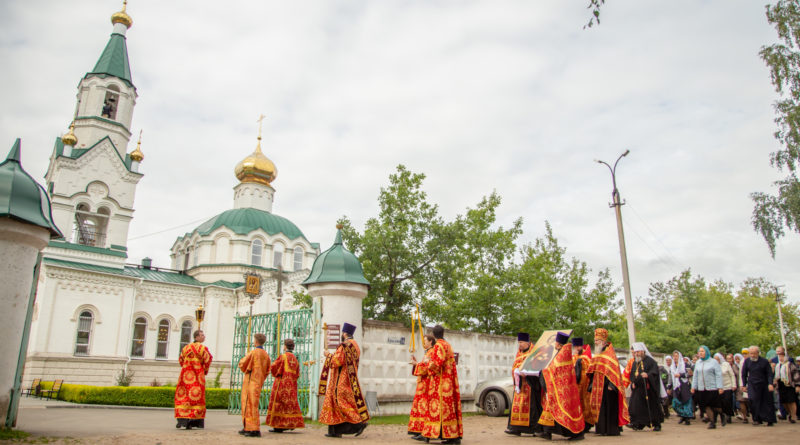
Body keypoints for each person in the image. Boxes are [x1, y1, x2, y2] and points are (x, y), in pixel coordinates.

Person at [319, 322, 369, 437]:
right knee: (341, 402)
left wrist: (328, 355)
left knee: (340, 402)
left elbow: (337, 361)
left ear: (345, 334)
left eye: (342, 333)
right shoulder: (355, 345)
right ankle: (335, 431)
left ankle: (359, 423)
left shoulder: (345, 345)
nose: (342, 334)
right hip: (350, 379)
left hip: (341, 378)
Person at [419, 325, 462, 444]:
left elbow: (437, 364)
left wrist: (428, 363)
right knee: (449, 408)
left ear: (434, 334)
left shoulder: (438, 346)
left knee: (440, 409)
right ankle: (452, 435)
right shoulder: (448, 345)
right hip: (450, 381)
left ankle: (445, 436)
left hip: (440, 382)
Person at [538, 332, 585, 440]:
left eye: (556, 342)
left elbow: (555, 369)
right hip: (557, 387)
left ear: (558, 344)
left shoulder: (563, 354)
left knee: (565, 411)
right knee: (549, 408)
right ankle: (547, 431)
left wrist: (544, 371)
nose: (555, 344)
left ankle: (576, 434)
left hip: (563, 389)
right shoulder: (561, 353)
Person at [586, 328, 629, 436]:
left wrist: (611, 385)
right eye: (595, 341)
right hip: (597, 386)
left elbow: (614, 372)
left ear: (604, 342)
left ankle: (611, 430)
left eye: (598, 341)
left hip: (608, 387)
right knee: (600, 408)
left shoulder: (610, 354)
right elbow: (592, 370)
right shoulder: (597, 354)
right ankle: (601, 429)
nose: (596, 343)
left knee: (609, 407)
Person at [505, 332, 541, 436]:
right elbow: (514, 367)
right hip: (519, 387)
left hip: (530, 386)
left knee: (532, 408)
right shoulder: (519, 354)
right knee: (517, 407)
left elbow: (537, 367)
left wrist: (526, 373)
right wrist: (516, 371)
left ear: (528, 342)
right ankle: (515, 428)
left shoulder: (534, 353)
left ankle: (534, 429)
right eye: (519, 342)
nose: (519, 344)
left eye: (521, 342)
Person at [175, 329, 213, 430]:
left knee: (184, 396)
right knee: (196, 397)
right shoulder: (203, 348)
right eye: (202, 335)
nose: (203, 336)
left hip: (185, 376)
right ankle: (194, 420)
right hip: (197, 376)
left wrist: (186, 367)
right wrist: (204, 370)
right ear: (196, 337)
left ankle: (182, 419)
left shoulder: (186, 348)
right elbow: (208, 359)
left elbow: (181, 360)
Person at [265, 338, 305, 433]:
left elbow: (274, 367)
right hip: (292, 385)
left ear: (285, 346)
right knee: (289, 405)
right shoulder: (295, 359)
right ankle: (290, 424)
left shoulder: (283, 357)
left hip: (281, 384)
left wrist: (275, 373)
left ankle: (278, 426)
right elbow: (298, 374)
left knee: (279, 404)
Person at [237, 333, 271, 437]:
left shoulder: (253, 352)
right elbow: (268, 370)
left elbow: (242, 364)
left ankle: (253, 429)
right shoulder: (266, 355)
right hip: (258, 381)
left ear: (256, 342)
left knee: (248, 404)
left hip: (250, 381)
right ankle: (248, 426)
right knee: (253, 404)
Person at [627, 342, 664, 431]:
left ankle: (656, 424)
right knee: (635, 406)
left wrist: (648, 375)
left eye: (638, 352)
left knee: (651, 407)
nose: (637, 354)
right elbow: (632, 373)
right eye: (635, 353)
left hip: (648, 389)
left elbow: (654, 373)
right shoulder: (635, 362)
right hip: (638, 389)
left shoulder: (651, 361)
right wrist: (633, 382)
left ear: (643, 351)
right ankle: (637, 423)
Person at [409, 334, 436, 438]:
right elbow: (423, 365)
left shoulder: (432, 352)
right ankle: (418, 429)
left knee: (424, 407)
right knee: (419, 407)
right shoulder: (428, 352)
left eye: (425, 341)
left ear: (431, 342)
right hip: (422, 384)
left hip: (426, 384)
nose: (424, 343)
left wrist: (416, 364)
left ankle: (423, 431)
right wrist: (417, 363)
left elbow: (426, 368)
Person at [742, 345, 777, 426]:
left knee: (766, 402)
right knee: (752, 400)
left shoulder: (764, 361)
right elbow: (744, 374)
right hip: (752, 384)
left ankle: (769, 420)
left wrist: (770, 384)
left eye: (754, 353)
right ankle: (757, 419)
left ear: (758, 353)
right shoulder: (747, 361)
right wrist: (744, 385)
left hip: (764, 383)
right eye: (751, 353)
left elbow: (769, 374)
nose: (752, 355)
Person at [691, 346, 724, 429]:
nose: (700, 353)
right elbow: (695, 376)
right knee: (706, 406)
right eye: (699, 351)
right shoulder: (698, 362)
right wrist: (693, 386)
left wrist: (720, 387)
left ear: (707, 352)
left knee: (715, 406)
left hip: (712, 387)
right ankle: (712, 422)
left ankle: (722, 414)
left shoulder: (713, 362)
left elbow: (718, 375)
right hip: (702, 388)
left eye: (702, 351)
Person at [773, 347, 800, 423]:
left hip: (789, 384)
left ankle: (794, 416)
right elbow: (776, 376)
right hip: (781, 385)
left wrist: (797, 385)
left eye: (782, 356)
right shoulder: (778, 366)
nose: (781, 358)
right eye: (779, 356)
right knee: (784, 401)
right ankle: (790, 413)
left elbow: (796, 375)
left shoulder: (790, 365)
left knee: (791, 401)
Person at [572, 337, 593, 433]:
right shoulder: (574, 357)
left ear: (581, 346)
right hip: (576, 385)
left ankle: (587, 423)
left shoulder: (586, 357)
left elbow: (589, 369)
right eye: (575, 346)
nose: (576, 348)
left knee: (586, 403)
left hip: (585, 384)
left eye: (578, 346)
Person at [670, 351, 693, 425]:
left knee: (686, 401)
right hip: (676, 386)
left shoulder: (685, 364)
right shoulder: (672, 366)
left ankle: (687, 418)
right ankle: (683, 415)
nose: (675, 358)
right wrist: (669, 386)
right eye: (674, 356)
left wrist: (680, 375)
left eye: (676, 356)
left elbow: (689, 374)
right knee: (675, 403)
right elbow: (671, 377)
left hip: (684, 385)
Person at [715, 352, 736, 425]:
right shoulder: (714, 366)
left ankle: (729, 414)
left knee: (727, 401)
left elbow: (732, 375)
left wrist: (734, 385)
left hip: (727, 386)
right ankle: (723, 415)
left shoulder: (726, 364)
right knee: (721, 402)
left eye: (717, 359)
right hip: (718, 387)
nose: (716, 360)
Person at [733, 352, 750, 423]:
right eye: (736, 359)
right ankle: (744, 417)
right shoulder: (734, 366)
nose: (737, 360)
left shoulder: (747, 363)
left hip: (749, 384)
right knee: (741, 401)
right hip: (739, 385)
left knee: (750, 401)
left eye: (738, 359)